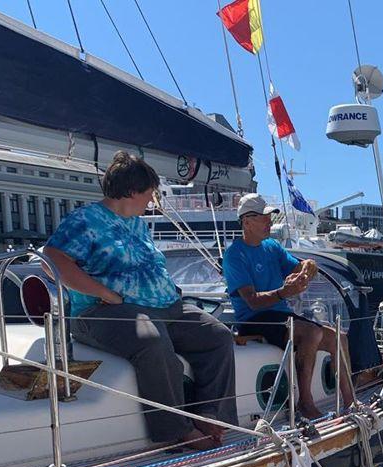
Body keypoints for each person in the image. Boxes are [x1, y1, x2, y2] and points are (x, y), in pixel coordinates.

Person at [44, 151, 238, 450]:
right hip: (103, 312)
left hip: (166, 307)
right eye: (150, 193)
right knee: (152, 341)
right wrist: (103, 292)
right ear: (133, 191)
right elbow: (53, 260)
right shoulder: (85, 220)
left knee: (217, 335)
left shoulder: (137, 223)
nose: (152, 200)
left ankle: (209, 414)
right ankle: (175, 432)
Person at [222, 193, 354, 419]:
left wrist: (307, 267)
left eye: (269, 217)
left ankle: (351, 402)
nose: (269, 222)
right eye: (264, 218)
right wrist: (284, 292)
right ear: (247, 222)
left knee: (339, 338)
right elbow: (252, 301)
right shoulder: (234, 255)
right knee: (311, 332)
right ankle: (305, 402)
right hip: (253, 319)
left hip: (280, 316)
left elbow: (297, 269)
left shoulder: (271, 247)